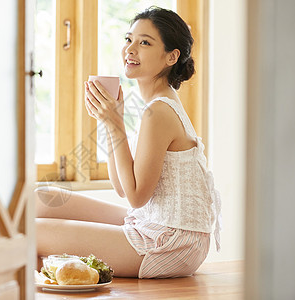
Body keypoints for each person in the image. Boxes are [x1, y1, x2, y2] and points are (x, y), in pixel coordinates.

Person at [36, 6, 221, 279]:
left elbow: (136, 196)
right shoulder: (155, 106)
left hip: (173, 243)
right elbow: (122, 187)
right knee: (41, 199)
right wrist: (110, 121)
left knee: (36, 231)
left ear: (172, 56)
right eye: (128, 39)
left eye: (144, 42)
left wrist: (115, 124)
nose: (130, 49)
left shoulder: (158, 111)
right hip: (155, 223)